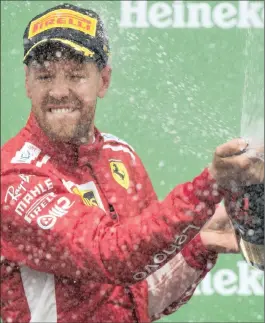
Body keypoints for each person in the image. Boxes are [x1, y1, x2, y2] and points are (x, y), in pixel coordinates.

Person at [1, 3, 263, 323]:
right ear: (28, 83)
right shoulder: (14, 178)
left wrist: (202, 242)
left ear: (104, 80)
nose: (58, 91)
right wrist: (210, 185)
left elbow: (140, 293)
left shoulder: (120, 156)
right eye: (44, 76)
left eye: (75, 75)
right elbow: (113, 255)